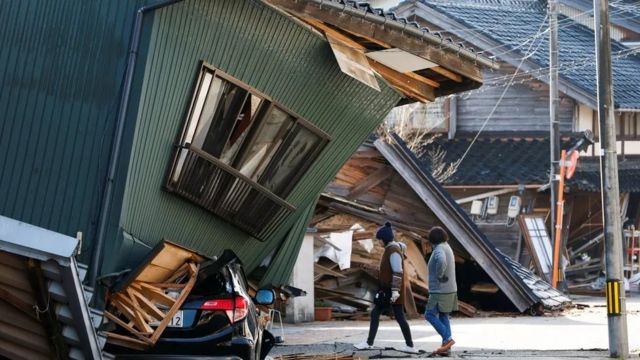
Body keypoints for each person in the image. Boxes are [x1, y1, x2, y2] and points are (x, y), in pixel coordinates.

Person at [354, 222, 419, 354]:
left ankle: (409, 345)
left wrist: (395, 291)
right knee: (381, 313)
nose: (378, 243)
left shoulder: (393, 251)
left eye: (379, 240)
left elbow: (398, 271)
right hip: (388, 289)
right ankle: (371, 343)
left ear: (384, 239)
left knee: (397, 316)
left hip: (392, 290)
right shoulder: (391, 249)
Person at [424, 226, 458, 354]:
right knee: (444, 315)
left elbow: (441, 261)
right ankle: (446, 348)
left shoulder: (439, 249)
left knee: (429, 314)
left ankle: (448, 339)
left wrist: (439, 275)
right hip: (450, 288)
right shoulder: (447, 246)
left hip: (439, 290)